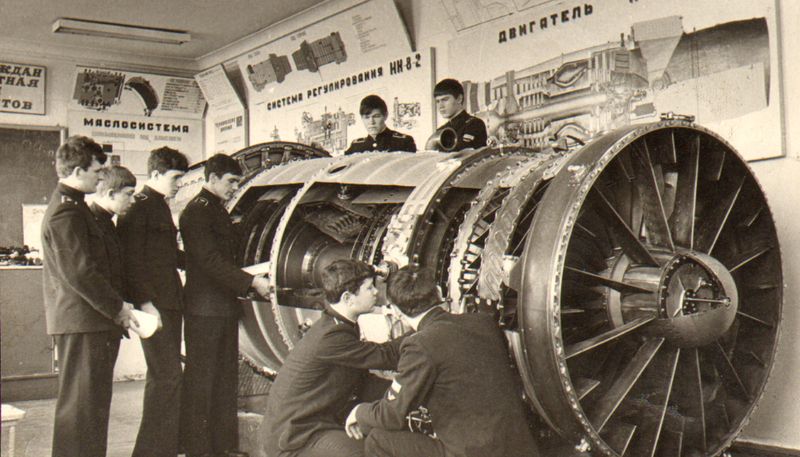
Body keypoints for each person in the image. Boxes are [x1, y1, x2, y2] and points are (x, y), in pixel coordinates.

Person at [345, 265, 539, 457]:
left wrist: (359, 412)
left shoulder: (420, 346)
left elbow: (391, 416)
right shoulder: (483, 322)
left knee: (378, 440)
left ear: (396, 311)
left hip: (470, 453)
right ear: (438, 292)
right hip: (520, 449)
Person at [41, 136, 138, 457]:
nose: (100, 177)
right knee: (81, 409)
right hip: (83, 323)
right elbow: (80, 273)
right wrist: (118, 308)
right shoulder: (65, 213)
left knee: (91, 407)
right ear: (78, 171)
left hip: (90, 322)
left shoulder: (77, 207)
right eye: (97, 171)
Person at [259, 259, 404, 457]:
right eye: (369, 288)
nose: (376, 292)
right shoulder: (332, 336)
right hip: (295, 437)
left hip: (310, 423)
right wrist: (422, 325)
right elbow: (387, 356)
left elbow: (360, 380)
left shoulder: (339, 325)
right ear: (348, 298)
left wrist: (410, 394)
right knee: (369, 453)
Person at [179, 154, 271, 457]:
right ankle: (199, 450)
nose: (234, 188)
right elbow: (210, 261)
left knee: (223, 382)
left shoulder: (215, 209)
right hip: (205, 310)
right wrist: (251, 282)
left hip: (220, 307)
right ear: (213, 178)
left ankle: (222, 448)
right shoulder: (197, 212)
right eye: (231, 182)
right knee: (203, 382)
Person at [117, 146, 189, 457]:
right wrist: (145, 303)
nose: (179, 184)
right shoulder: (139, 208)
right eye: (175, 178)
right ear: (156, 173)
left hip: (169, 302)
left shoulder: (159, 205)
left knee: (167, 378)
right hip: (155, 306)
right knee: (166, 377)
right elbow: (131, 262)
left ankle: (162, 450)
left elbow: (167, 255)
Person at [344, 95, 416, 154]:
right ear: (362, 118)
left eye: (376, 116)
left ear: (385, 115)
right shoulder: (356, 147)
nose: (371, 122)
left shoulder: (403, 142)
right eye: (367, 117)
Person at [432, 78, 487, 152]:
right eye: (437, 101)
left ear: (459, 99)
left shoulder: (475, 124)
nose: (440, 106)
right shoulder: (441, 131)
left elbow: (463, 152)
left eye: (445, 100)